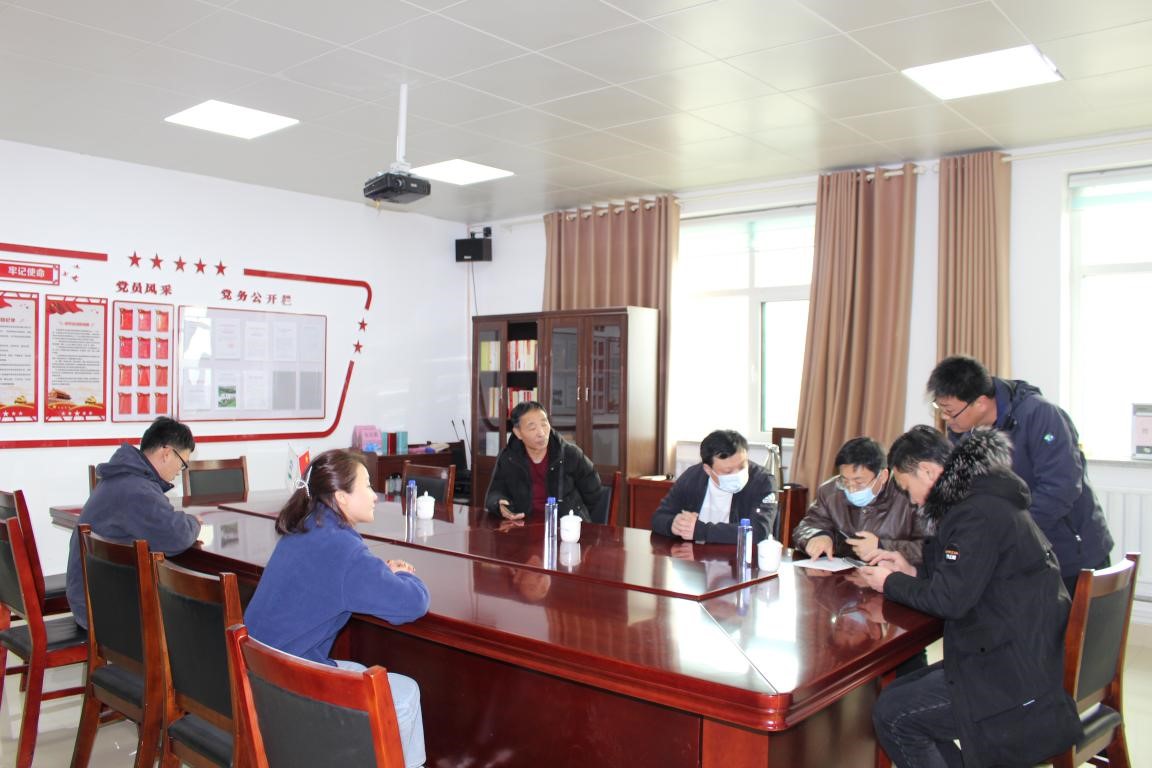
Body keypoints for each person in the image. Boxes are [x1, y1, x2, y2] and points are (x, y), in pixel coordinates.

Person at [860, 425, 1081, 768]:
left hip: (1010, 675)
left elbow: (949, 601)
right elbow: (966, 580)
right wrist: (910, 572)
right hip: (1014, 651)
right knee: (896, 694)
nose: (912, 500)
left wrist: (890, 582)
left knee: (893, 714)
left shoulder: (974, 513)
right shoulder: (984, 499)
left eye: (907, 488)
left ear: (928, 472)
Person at [244, 449, 430, 768]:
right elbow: (412, 604)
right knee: (404, 694)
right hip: (295, 688)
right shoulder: (343, 548)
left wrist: (377, 572)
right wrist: (402, 574)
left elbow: (339, 575)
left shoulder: (306, 525)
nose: (374, 495)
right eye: (367, 486)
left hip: (263, 679)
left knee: (360, 671)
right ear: (341, 497)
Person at [927, 355, 1113, 594]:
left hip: (1072, 553)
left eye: (950, 411)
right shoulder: (965, 432)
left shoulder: (1040, 416)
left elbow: (1061, 489)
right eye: (940, 409)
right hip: (1025, 555)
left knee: (1075, 621)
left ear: (980, 403)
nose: (945, 418)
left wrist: (1010, 534)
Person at [66, 416, 202, 629]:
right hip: (105, 611)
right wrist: (194, 522)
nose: (179, 471)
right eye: (182, 463)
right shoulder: (137, 489)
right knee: (199, 617)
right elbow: (176, 536)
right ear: (167, 453)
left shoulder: (124, 477)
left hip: (92, 599)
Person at [792, 437, 926, 563]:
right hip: (842, 572)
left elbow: (928, 548)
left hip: (891, 575)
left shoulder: (910, 496)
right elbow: (806, 526)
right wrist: (818, 536)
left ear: (883, 476)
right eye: (845, 481)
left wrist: (882, 546)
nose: (851, 489)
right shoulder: (830, 492)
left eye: (859, 482)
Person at [484, 401, 604, 523]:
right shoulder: (508, 457)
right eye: (532, 428)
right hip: (523, 525)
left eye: (544, 424)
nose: (541, 433)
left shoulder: (570, 454)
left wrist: (577, 514)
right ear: (518, 433)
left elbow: (594, 491)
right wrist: (499, 504)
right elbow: (494, 492)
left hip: (563, 527)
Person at [651, 429, 775, 544]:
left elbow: (759, 531)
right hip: (696, 556)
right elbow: (658, 517)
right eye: (728, 471)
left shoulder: (763, 481)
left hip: (738, 556)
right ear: (708, 469)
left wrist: (700, 530)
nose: (737, 474)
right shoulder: (692, 477)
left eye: (742, 466)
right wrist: (673, 524)